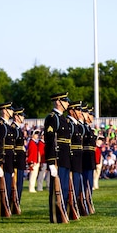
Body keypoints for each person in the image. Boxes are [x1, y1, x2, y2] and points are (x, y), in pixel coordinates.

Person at [44, 92, 71, 223]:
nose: (67, 103)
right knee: (56, 190)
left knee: (64, 188)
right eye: (65, 101)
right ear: (59, 102)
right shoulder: (52, 118)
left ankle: (63, 213)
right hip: (57, 159)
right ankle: (56, 216)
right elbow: (49, 141)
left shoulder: (63, 118)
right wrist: (50, 162)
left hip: (65, 158)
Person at [0, 101, 15, 217]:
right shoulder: (1, 126)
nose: (12, 111)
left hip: (9, 159)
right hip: (4, 160)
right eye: (10, 109)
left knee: (7, 185)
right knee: (2, 187)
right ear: (4, 111)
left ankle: (5, 207)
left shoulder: (7, 125)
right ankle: (1, 209)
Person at [12, 106, 27, 211]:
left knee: (20, 185)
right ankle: (14, 205)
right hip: (16, 161)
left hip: (20, 161)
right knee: (16, 185)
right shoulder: (13, 128)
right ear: (16, 116)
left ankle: (17, 204)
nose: (23, 118)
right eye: (21, 115)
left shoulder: (18, 129)